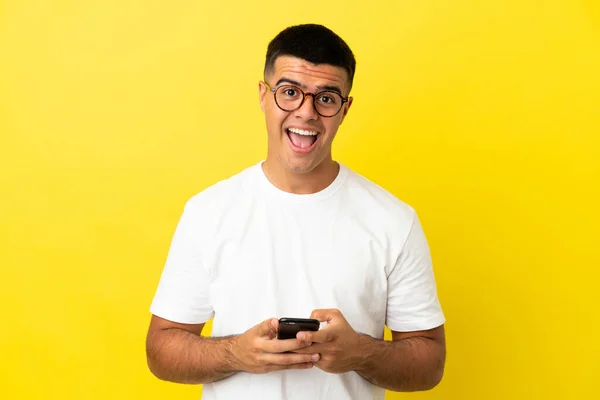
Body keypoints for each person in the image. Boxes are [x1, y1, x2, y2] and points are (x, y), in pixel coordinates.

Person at [146, 23, 446, 400]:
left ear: (345, 109)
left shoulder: (393, 221)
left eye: (326, 98)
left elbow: (430, 362)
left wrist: (359, 353)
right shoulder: (208, 212)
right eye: (289, 92)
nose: (306, 113)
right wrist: (236, 352)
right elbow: (160, 350)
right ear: (263, 95)